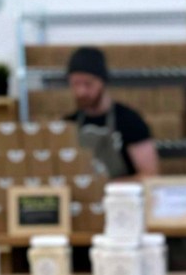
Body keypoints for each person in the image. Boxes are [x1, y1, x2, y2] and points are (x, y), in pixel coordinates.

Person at [65, 46, 159, 180]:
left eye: (88, 84)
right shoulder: (68, 124)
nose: (81, 92)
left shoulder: (130, 121)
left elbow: (150, 174)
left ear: (102, 81)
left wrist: (108, 187)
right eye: (75, 84)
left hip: (121, 198)